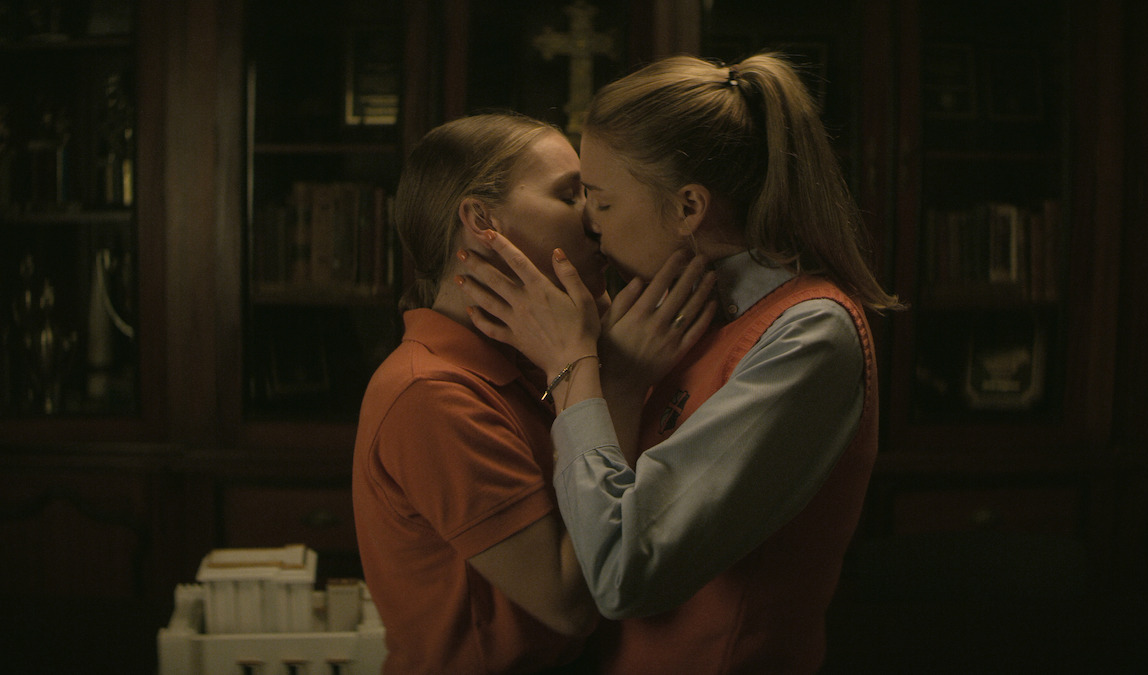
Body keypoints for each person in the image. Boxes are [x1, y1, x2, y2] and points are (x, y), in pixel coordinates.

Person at [458, 53, 903, 674]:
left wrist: (572, 367)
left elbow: (620, 574)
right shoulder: (665, 314)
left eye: (602, 202)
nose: (588, 225)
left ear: (689, 209)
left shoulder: (809, 335)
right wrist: (611, 378)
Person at [353, 112, 613, 674]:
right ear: (481, 219)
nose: (595, 220)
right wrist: (622, 384)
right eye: (570, 196)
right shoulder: (431, 393)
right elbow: (567, 605)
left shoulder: (524, 361)